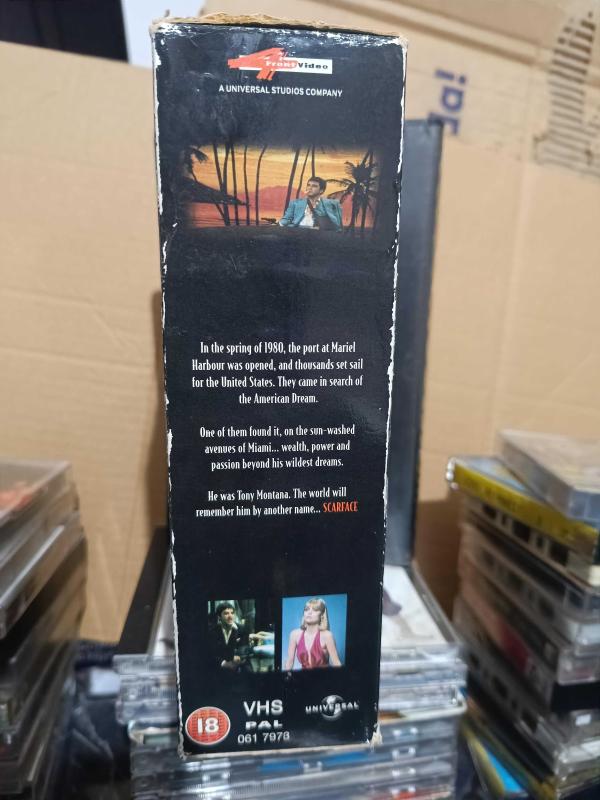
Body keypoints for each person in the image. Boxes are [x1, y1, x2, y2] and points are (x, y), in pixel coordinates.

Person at [284, 598, 342, 670]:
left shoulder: (327, 636)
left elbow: (336, 663)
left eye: (315, 610)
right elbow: (289, 662)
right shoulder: (294, 634)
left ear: (322, 615)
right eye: (306, 609)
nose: (309, 612)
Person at [210, 602, 264, 671]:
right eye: (226, 613)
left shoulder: (242, 628)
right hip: (221, 663)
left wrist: (238, 657)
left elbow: (244, 649)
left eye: (232, 613)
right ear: (219, 617)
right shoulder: (213, 632)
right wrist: (224, 663)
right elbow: (212, 653)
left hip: (240, 661)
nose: (230, 616)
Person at [279, 177, 343, 231]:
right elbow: (286, 219)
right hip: (298, 231)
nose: (309, 188)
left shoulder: (330, 204)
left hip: (318, 234)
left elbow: (336, 224)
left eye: (314, 186)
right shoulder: (295, 203)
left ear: (321, 191)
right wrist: (280, 224)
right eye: (308, 185)